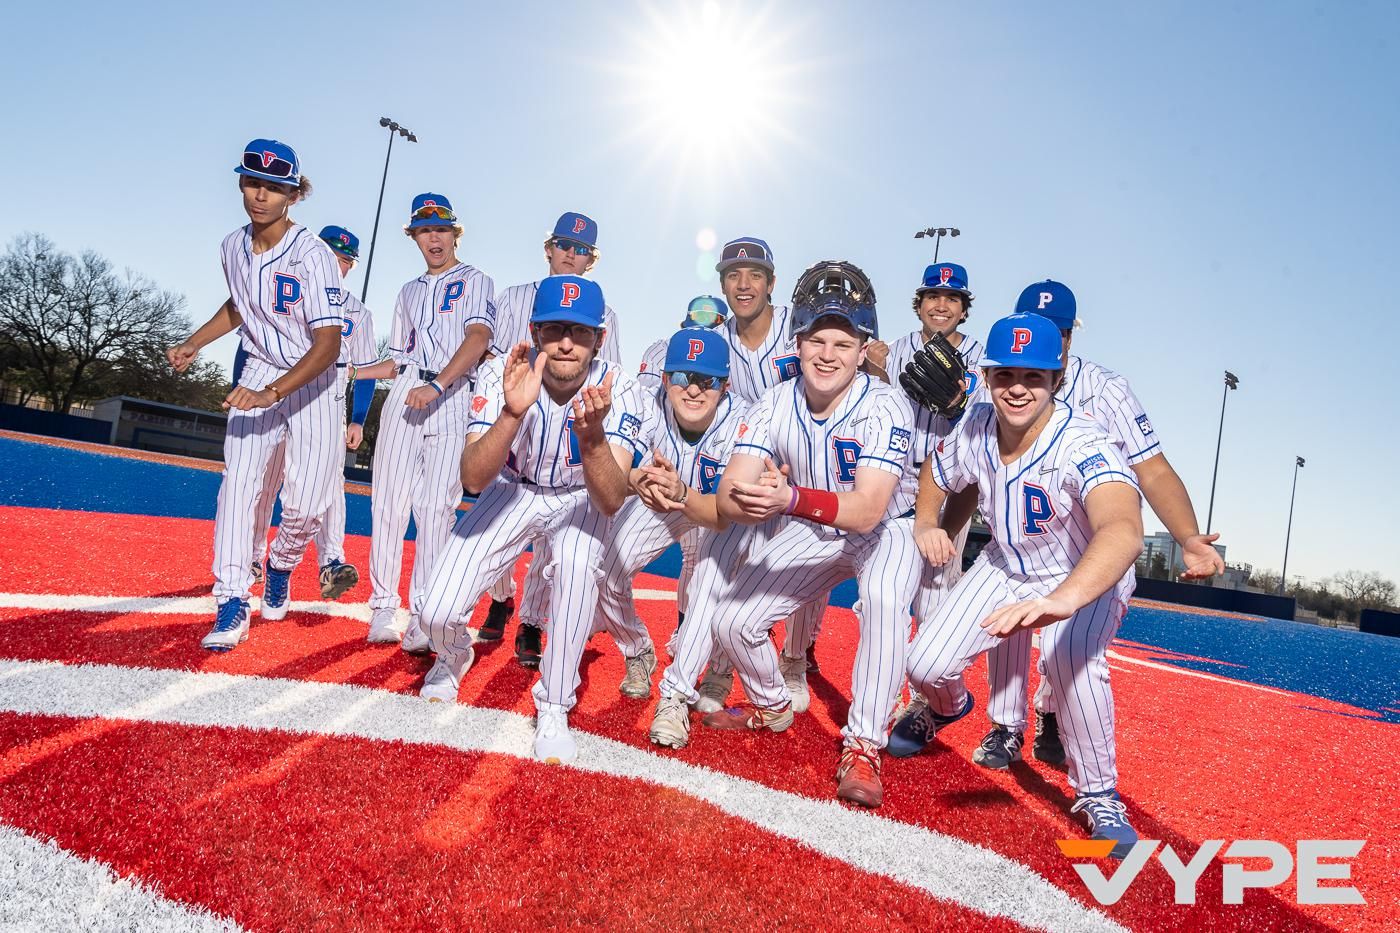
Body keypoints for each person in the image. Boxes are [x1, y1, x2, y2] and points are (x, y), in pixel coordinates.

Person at [650, 261, 922, 810]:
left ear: (864, 347)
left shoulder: (885, 403)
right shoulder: (774, 403)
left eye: (842, 342)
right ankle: (773, 702)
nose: (827, 353)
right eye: (816, 339)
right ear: (795, 342)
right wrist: (744, 499)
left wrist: (787, 499)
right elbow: (729, 496)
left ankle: (864, 744)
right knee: (732, 620)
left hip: (888, 527)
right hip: (814, 524)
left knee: (887, 600)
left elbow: (868, 511)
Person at [897, 311, 1145, 857]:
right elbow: (936, 474)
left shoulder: (1084, 441)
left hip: (1084, 574)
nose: (1017, 387)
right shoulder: (976, 424)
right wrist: (924, 523)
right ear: (987, 378)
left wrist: (1060, 602)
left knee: (1070, 657)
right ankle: (945, 707)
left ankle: (1099, 794)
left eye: (1033, 376)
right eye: (1005, 374)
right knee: (924, 665)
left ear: (1056, 381)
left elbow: (1123, 530)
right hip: (1006, 564)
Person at [962, 281, 1224, 771]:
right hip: (1020, 534)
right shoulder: (999, 377)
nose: (1048, 336)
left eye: (1059, 330)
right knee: (1007, 618)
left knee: (1071, 651)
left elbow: (1152, 468)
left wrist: (1188, 537)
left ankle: (1055, 715)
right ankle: (1005, 725)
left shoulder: (1105, 389)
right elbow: (971, 466)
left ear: (1071, 335)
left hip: (1088, 544)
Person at [416, 275, 648, 765]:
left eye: (580, 332)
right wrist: (509, 414)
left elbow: (609, 499)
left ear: (599, 339)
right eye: (555, 329)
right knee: (434, 612)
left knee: (578, 566)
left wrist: (592, 438)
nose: (566, 342)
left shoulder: (620, 386)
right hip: (513, 489)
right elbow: (474, 479)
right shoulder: (505, 368)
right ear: (535, 331)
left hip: (581, 497)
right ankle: (455, 655)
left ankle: (555, 704)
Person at [167, 138, 343, 651]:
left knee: (307, 504)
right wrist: (194, 343)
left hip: (312, 381)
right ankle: (230, 597)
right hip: (260, 371)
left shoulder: (315, 255)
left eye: (274, 187)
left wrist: (273, 392)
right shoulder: (230, 246)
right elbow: (241, 305)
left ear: (294, 194)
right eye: (252, 183)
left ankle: (282, 562)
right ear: (241, 183)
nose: (260, 195)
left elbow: (328, 344)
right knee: (238, 487)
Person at [476, 212, 620, 666]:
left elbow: (608, 379)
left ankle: (532, 623)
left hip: (564, 431)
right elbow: (492, 361)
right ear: (549, 249)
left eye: (581, 249)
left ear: (590, 260)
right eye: (564, 244)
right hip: (514, 418)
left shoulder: (604, 313)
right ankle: (501, 596)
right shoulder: (516, 297)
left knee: (552, 536)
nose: (571, 254)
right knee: (492, 517)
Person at [363, 194, 496, 645]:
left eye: (441, 229)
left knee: (436, 509)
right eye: (424, 230)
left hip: (453, 393)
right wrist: (350, 371)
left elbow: (478, 338)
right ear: (415, 236)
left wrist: (438, 385)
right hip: (407, 391)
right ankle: (383, 607)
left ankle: (423, 614)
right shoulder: (408, 291)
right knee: (388, 502)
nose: (433, 237)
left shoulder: (476, 280)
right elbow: (398, 360)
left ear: (454, 234)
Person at [594, 327, 746, 698]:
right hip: (660, 500)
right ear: (664, 379)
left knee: (715, 583)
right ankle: (637, 650)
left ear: (724, 385)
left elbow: (726, 513)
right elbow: (615, 474)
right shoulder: (644, 405)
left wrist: (683, 492)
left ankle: (718, 669)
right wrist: (633, 480)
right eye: (682, 376)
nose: (693, 389)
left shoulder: (745, 421)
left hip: (714, 506)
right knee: (606, 568)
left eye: (706, 380)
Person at [240, 225, 379, 600]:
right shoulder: (282, 288)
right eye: (334, 256)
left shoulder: (358, 314)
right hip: (276, 385)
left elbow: (365, 369)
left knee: (328, 481)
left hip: (327, 396)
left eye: (347, 261)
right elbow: (249, 342)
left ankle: (331, 561)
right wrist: (246, 387)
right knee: (265, 478)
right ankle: (252, 556)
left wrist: (357, 418)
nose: (340, 265)